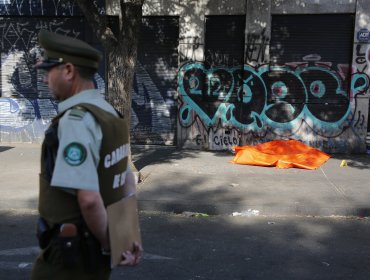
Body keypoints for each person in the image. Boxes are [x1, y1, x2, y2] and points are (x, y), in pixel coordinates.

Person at [31, 29, 143, 280]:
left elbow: (89, 200)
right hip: (94, 258)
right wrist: (127, 239)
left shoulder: (76, 120)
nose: (45, 80)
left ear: (69, 71)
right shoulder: (109, 113)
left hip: (69, 261)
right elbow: (125, 179)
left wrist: (109, 245)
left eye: (49, 71)